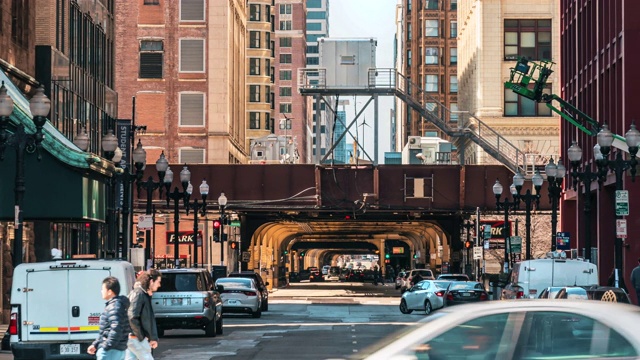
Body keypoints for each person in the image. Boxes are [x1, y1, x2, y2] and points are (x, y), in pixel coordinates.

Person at [88, 276, 131, 360]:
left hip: (111, 351)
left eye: (103, 289)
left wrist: (106, 346)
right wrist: (95, 344)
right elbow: (106, 330)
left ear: (109, 291)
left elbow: (116, 328)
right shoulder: (116, 305)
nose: (101, 291)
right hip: (115, 349)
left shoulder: (114, 306)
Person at [126, 269, 162, 360]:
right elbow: (132, 317)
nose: (159, 285)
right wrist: (142, 337)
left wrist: (151, 337)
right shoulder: (139, 294)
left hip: (133, 338)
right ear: (151, 281)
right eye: (158, 282)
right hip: (136, 339)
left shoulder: (141, 294)